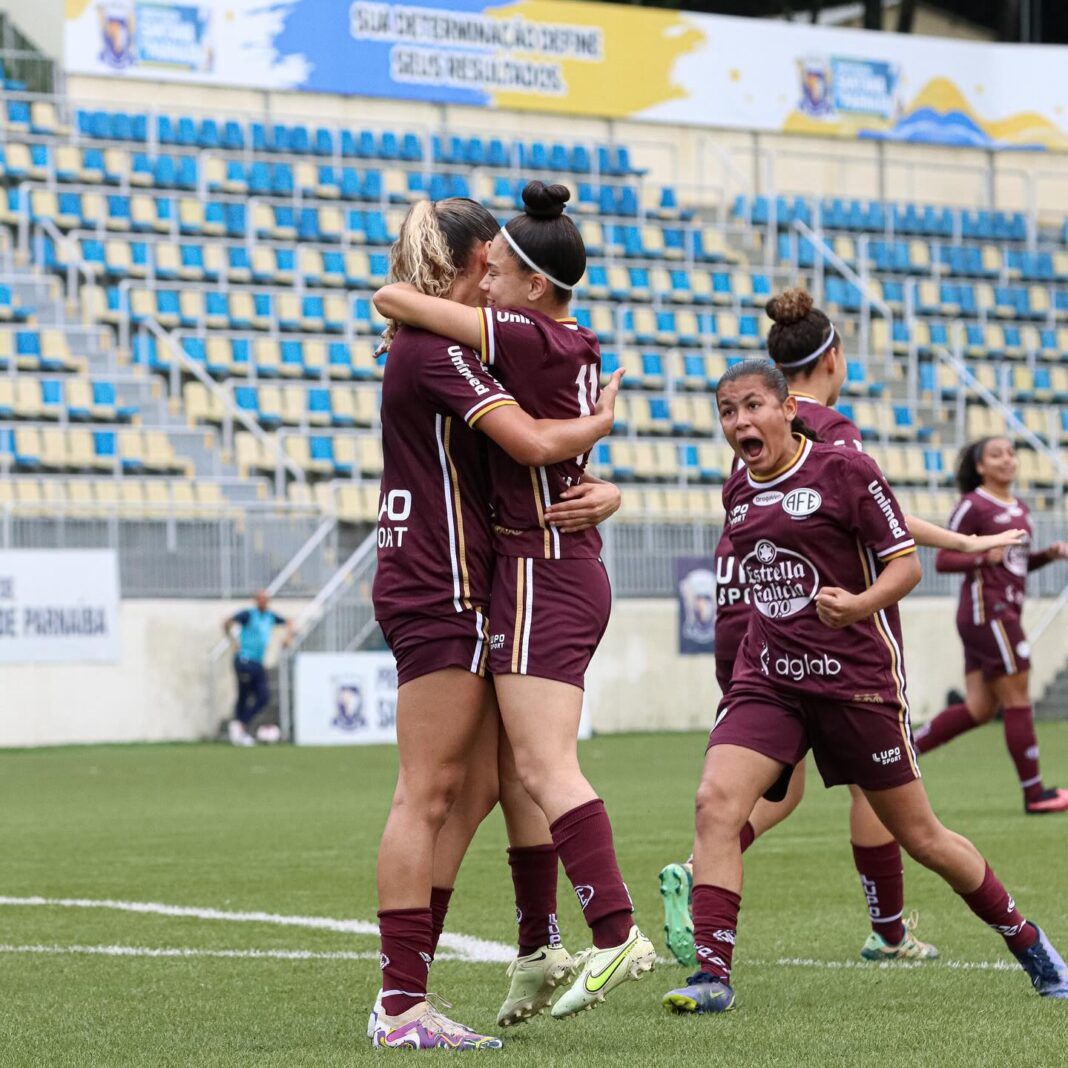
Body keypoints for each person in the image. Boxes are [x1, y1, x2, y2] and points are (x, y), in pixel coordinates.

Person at [660, 359, 1068, 1015]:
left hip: (856, 685)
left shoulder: (845, 470)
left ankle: (1030, 943)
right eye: (728, 411)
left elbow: (905, 565)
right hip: (770, 681)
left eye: (753, 406)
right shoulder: (738, 489)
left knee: (923, 837)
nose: (740, 422)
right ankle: (712, 975)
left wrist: (857, 605)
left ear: (788, 407)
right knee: (714, 803)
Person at [374, 181, 657, 1023]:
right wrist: (599, 432)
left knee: (489, 784)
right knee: (431, 792)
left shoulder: (458, 343)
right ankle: (400, 1003)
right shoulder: (437, 347)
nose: (494, 274)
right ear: (472, 264)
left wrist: (600, 492)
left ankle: (528, 947)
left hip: (476, 574)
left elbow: (533, 452)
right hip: (442, 579)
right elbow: (533, 441)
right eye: (488, 261)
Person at [914, 436, 1068, 812]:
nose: (1007, 460)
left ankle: (903, 751)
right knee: (1017, 696)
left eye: (1011, 453)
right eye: (996, 455)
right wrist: (982, 556)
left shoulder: (1020, 508)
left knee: (980, 707)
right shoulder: (973, 505)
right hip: (988, 613)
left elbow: (1013, 564)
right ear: (980, 466)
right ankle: (1035, 794)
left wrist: (1046, 556)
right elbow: (944, 560)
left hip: (1002, 612)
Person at [223, 591, 292, 746]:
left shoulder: (270, 616)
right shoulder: (248, 615)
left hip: (257, 661)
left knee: (257, 696)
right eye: (261, 599)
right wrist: (232, 641)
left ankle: (240, 727)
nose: (264, 602)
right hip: (244, 660)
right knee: (253, 694)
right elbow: (226, 622)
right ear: (256, 600)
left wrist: (288, 637)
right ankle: (240, 727)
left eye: (266, 599)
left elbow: (289, 622)